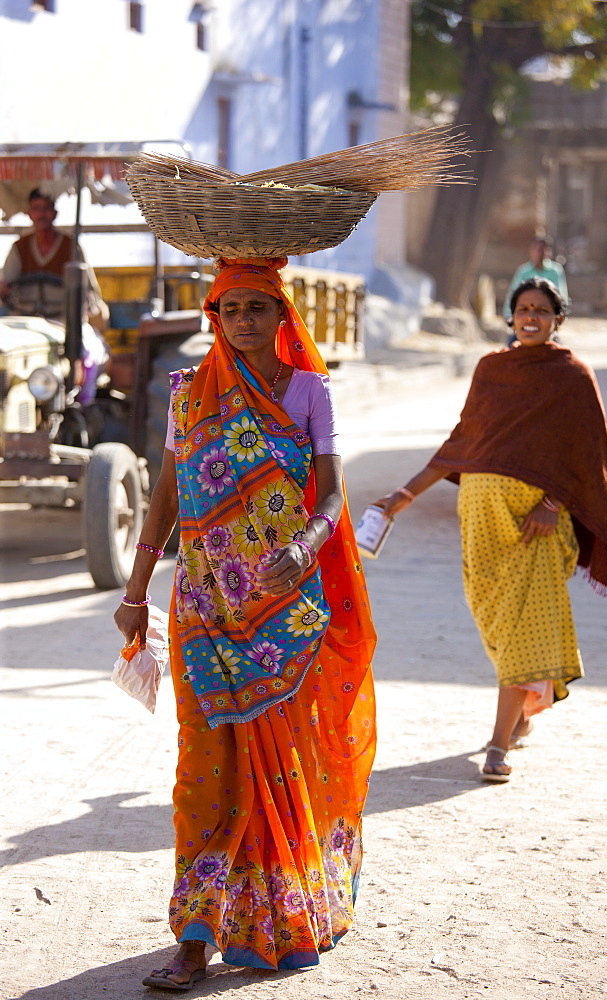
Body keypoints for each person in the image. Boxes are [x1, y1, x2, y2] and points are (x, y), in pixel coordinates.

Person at [114, 255, 376, 988]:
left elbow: (330, 496)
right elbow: (166, 491)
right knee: (203, 772)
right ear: (216, 319)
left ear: (283, 316)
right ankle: (195, 936)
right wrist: (136, 588)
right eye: (230, 311)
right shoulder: (187, 394)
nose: (243, 323)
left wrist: (305, 546)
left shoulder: (310, 392)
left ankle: (287, 909)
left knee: (283, 768)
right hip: (202, 606)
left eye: (257, 308)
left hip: (283, 612)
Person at [377, 278, 607, 784]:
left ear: (558, 320)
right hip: (481, 520)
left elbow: (586, 454)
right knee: (494, 620)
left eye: (542, 310)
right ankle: (518, 713)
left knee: (523, 631)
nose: (531, 317)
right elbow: (462, 441)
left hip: (534, 528)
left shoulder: (573, 376)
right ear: (510, 315)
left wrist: (553, 502)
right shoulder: (491, 369)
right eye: (523, 309)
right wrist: (403, 496)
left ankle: (497, 747)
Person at [0, 188, 110, 405]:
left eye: (46, 209)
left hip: (64, 321)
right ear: (29, 213)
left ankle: (80, 404)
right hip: (25, 320)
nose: (41, 214)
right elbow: (5, 284)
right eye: (37, 209)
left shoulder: (71, 247)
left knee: (86, 350)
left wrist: (78, 310)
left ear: (54, 213)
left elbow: (90, 295)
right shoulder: (19, 248)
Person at [502, 235, 569, 322]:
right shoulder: (523, 271)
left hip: (547, 315)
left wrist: (559, 315)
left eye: (542, 249)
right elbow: (513, 293)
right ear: (531, 251)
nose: (539, 253)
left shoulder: (555, 271)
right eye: (536, 249)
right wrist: (509, 315)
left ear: (548, 252)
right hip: (525, 315)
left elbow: (561, 294)